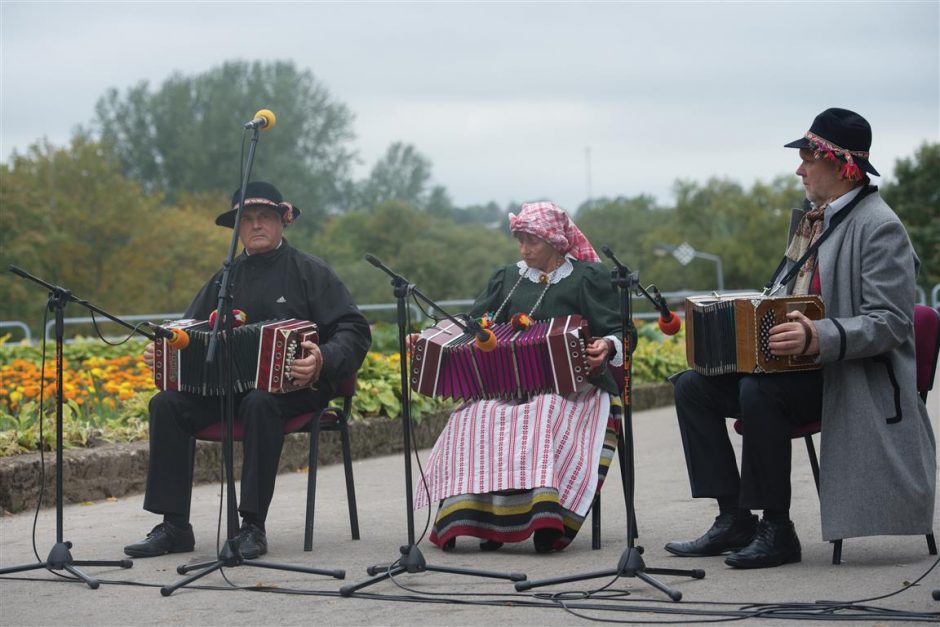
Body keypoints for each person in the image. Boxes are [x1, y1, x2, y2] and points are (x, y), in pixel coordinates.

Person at [665, 108, 936, 569]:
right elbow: (789, 296)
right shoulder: (815, 221)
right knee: (691, 386)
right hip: (804, 371)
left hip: (850, 377)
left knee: (760, 392)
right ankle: (734, 518)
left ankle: (777, 530)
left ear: (842, 164)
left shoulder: (880, 226)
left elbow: (891, 322)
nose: (799, 168)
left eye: (808, 157)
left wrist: (817, 336)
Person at [124, 181, 371, 559]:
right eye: (248, 219)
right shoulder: (224, 279)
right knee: (166, 404)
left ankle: (252, 526)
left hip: (299, 386)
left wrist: (320, 359)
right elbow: (189, 332)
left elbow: (354, 330)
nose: (256, 225)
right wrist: (164, 350)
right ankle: (175, 526)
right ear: (237, 229)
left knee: (259, 401)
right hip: (227, 390)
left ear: (282, 222)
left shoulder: (309, 271)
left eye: (265, 218)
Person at [411, 201, 627, 553]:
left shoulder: (588, 278)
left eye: (532, 242)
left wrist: (606, 344)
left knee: (541, 413)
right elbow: (475, 325)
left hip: (575, 389)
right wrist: (428, 337)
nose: (524, 249)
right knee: (474, 415)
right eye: (520, 241)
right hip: (508, 386)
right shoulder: (507, 278)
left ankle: (546, 520)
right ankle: (483, 521)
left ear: (556, 242)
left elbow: (620, 328)